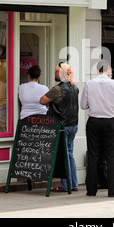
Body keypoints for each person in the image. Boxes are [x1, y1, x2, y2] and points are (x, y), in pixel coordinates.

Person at [80, 60, 114, 197]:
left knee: (93, 156)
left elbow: (83, 105)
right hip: (110, 122)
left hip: (93, 121)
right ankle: (112, 190)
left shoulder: (89, 83)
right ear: (108, 70)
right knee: (111, 156)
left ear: (97, 70)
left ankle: (91, 190)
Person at [40, 62, 79, 192]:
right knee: (69, 153)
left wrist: (51, 102)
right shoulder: (75, 87)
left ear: (62, 73)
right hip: (73, 124)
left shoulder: (57, 89)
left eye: (57, 71)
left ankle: (65, 184)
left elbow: (42, 100)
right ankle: (73, 183)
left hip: (63, 125)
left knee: (64, 155)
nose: (55, 73)